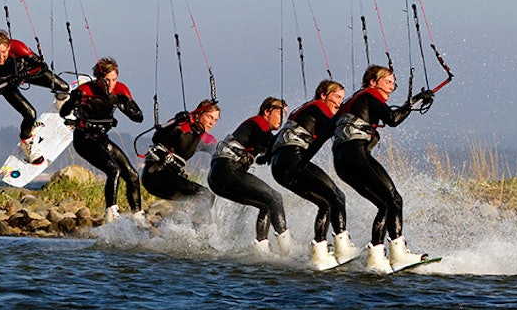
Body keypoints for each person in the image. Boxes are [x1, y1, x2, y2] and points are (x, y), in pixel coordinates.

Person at [331, 64, 433, 272]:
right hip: (356, 154)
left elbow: (326, 132)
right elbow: (393, 119)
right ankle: (399, 253)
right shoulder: (370, 95)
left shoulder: (350, 103)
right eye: (387, 82)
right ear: (373, 82)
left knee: (384, 204)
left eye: (393, 85)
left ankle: (376, 257)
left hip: (341, 161)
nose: (390, 88)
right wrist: (415, 102)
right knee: (394, 199)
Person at [270, 79, 358, 269]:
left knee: (325, 203)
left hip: (280, 166)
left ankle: (320, 252)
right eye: (336, 97)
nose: (339, 102)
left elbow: (279, 140)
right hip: (294, 159)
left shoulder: (300, 111)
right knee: (337, 196)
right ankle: (343, 247)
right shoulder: (319, 106)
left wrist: (266, 156)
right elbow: (335, 130)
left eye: (342, 99)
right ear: (323, 95)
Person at [59, 56, 145, 222]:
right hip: (84, 140)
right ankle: (111, 213)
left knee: (133, 175)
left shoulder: (120, 90)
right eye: (106, 80)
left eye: (113, 80)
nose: (110, 84)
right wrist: (73, 100)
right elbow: (64, 113)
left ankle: (138, 217)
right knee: (114, 170)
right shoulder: (85, 91)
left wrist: (126, 103)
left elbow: (138, 117)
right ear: (98, 78)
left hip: (102, 139)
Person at [208, 97, 292, 257]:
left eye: (285, 114)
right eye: (280, 113)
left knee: (266, 204)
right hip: (226, 170)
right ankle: (287, 250)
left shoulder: (260, 131)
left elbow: (271, 150)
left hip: (218, 176)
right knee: (275, 197)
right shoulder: (259, 122)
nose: (283, 118)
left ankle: (261, 251)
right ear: (267, 112)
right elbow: (274, 144)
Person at [0, 29, 70, 162]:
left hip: (24, 73)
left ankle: (62, 105)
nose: (1, 57)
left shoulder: (18, 47)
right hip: (6, 85)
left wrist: (25, 74)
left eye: (4, 52)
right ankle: (26, 144)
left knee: (63, 88)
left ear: (8, 46)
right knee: (30, 114)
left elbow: (42, 66)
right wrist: (10, 79)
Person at [141, 99, 220, 216]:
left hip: (171, 180)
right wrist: (175, 122)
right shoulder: (181, 125)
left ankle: (189, 229)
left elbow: (219, 152)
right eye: (209, 117)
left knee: (207, 196)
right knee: (204, 195)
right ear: (199, 114)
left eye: (215, 120)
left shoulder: (205, 138)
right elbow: (157, 137)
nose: (212, 123)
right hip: (155, 175)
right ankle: (200, 227)